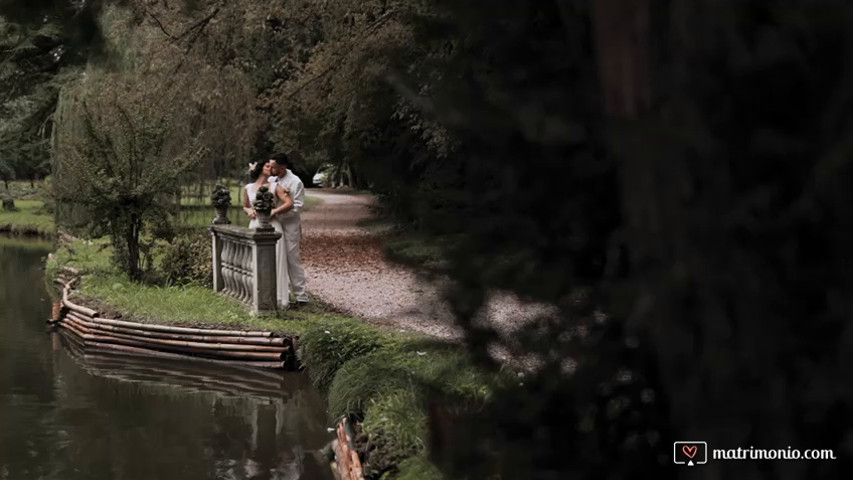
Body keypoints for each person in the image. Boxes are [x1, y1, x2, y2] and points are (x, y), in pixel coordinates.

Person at [243, 161, 294, 309]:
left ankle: (277, 297)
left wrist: (274, 211)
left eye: (272, 167)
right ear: (259, 169)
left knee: (275, 260)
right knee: (254, 261)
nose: (271, 168)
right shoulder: (248, 188)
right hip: (255, 225)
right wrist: (249, 211)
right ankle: (258, 294)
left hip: (273, 226)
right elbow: (245, 205)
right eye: (267, 166)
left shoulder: (274, 186)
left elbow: (289, 203)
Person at [267, 153, 309, 307]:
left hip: (290, 224)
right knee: (277, 257)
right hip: (274, 223)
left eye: (274, 167)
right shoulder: (271, 180)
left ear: (283, 167)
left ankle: (301, 296)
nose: (271, 169)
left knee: (292, 258)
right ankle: (282, 293)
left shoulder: (295, 182)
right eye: (270, 166)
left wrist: (277, 212)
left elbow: (297, 206)